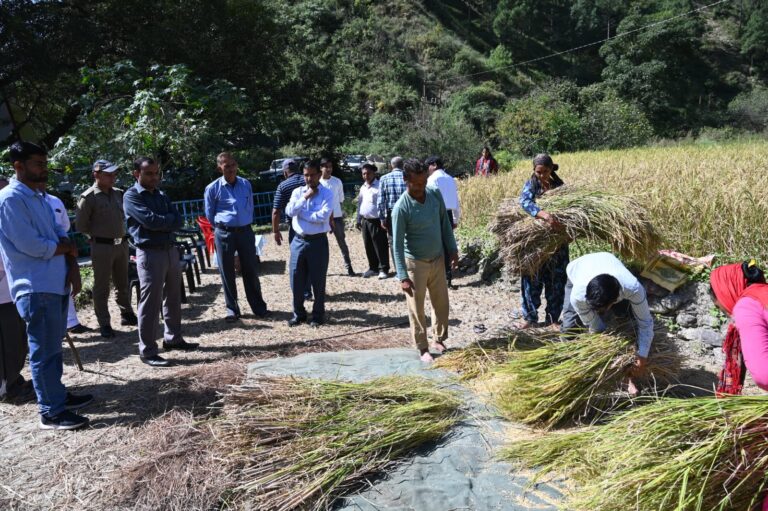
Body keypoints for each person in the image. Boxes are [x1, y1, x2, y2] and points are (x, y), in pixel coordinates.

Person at [0, 142, 91, 430]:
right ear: (19, 166)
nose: (44, 169)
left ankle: (58, 395)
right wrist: (65, 250)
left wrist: (68, 258)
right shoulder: (10, 199)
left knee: (52, 348)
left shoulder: (39, 197)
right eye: (38, 164)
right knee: (43, 350)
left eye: (44, 163)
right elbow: (30, 245)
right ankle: (51, 412)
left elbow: (58, 235)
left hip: (54, 283)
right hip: (35, 286)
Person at [124, 156, 198, 367]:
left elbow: (178, 220)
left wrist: (163, 222)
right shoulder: (131, 196)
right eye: (149, 173)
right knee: (150, 302)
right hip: (149, 253)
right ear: (136, 174)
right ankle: (147, 351)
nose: (154, 177)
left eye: (157, 173)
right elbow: (150, 221)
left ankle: (173, 338)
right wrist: (166, 221)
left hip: (169, 250)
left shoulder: (161, 195)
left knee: (173, 297)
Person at [392, 158, 459, 363]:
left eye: (424, 182)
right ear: (406, 180)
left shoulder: (434, 194)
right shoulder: (401, 208)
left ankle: (439, 338)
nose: (421, 188)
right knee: (416, 308)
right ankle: (422, 348)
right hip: (415, 264)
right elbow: (395, 245)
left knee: (441, 303)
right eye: (417, 184)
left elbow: (445, 226)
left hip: (438, 259)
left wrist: (452, 251)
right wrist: (403, 275)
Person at [561, 251, 654, 393]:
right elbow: (596, 328)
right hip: (577, 269)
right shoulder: (578, 296)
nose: (598, 312)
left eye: (602, 308)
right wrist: (603, 344)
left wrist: (642, 356)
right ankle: (568, 370)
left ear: (615, 299)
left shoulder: (633, 288)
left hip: (609, 264)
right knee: (569, 328)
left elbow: (645, 323)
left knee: (626, 324)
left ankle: (627, 378)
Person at [75, 159, 137, 338]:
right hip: (102, 246)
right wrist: (96, 236)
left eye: (114, 174)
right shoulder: (88, 197)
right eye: (108, 174)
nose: (113, 177)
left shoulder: (118, 193)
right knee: (101, 286)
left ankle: (127, 314)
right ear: (96, 174)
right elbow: (81, 226)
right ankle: (104, 323)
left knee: (122, 282)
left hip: (121, 244)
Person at [204, 152, 268, 323]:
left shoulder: (246, 184)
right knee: (227, 272)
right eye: (227, 166)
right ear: (220, 168)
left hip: (246, 232)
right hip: (224, 233)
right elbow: (209, 214)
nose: (231, 169)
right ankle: (232, 309)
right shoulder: (212, 188)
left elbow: (250, 206)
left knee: (251, 270)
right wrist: (223, 226)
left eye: (233, 165)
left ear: (236, 165)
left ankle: (258, 307)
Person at [516, 153, 568, 329]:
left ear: (551, 169)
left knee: (556, 281)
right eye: (538, 172)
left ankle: (553, 319)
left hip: (557, 244)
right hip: (536, 244)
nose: (541, 175)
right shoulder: (531, 185)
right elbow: (524, 201)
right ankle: (529, 318)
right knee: (532, 279)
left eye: (545, 172)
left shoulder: (560, 187)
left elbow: (571, 210)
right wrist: (543, 214)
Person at [0, 177, 35, 405]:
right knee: (8, 343)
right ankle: (8, 386)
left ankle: (14, 380)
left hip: (13, 290)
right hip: (2, 295)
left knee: (18, 340)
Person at [285, 160, 333, 327]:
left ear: (319, 174)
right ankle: (299, 314)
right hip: (298, 240)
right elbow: (290, 211)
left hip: (318, 241)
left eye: (312, 174)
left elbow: (323, 216)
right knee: (296, 279)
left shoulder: (327, 193)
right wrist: (305, 197)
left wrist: (302, 214)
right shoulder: (298, 192)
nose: (309, 178)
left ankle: (318, 315)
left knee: (318, 281)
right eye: (306, 175)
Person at [709, 261, 768, 395]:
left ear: (724, 293)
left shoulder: (747, 306)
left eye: (719, 307)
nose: (726, 312)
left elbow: (764, 376)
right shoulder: (763, 294)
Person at [41, 188, 92, 335]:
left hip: (61, 247)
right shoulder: (20, 201)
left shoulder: (55, 200)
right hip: (39, 252)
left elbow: (65, 225)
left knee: (64, 284)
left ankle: (71, 322)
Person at [272, 158, 312, 299]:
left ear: (284, 172)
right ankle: (315, 288)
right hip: (313, 226)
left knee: (299, 261)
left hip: (295, 228)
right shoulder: (309, 179)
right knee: (313, 260)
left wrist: (276, 231)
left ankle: (305, 292)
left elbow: (276, 211)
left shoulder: (283, 186)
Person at [425, 155, 461, 287]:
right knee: (447, 246)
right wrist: (456, 218)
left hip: (436, 214)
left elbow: (428, 200)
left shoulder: (432, 179)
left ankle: (438, 277)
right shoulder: (450, 179)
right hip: (449, 214)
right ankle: (448, 276)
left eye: (428, 166)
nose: (427, 169)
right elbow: (456, 201)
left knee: (436, 247)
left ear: (434, 165)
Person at [320, 157, 355, 276]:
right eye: (326, 167)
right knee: (320, 243)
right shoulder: (318, 182)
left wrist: (336, 212)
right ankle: (321, 269)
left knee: (342, 242)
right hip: (322, 218)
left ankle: (349, 266)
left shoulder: (337, 181)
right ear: (321, 168)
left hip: (337, 216)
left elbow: (341, 199)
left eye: (330, 167)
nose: (329, 169)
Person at [356, 163, 389, 279]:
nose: (366, 176)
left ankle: (383, 269)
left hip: (377, 220)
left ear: (374, 173)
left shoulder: (380, 186)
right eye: (364, 173)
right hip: (365, 220)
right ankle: (373, 268)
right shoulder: (363, 187)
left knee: (380, 245)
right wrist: (358, 219)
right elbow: (360, 203)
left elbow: (384, 204)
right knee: (368, 245)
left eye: (368, 173)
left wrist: (383, 219)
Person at [377, 156, 406, 260]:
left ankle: (399, 269)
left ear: (391, 165)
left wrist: (382, 218)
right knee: (407, 238)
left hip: (392, 212)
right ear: (403, 165)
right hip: (407, 211)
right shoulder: (408, 176)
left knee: (393, 240)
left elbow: (380, 201)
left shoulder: (384, 178)